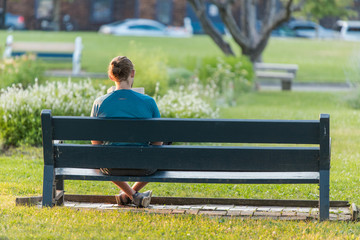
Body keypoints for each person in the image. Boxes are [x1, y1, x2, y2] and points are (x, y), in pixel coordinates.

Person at [90, 56, 162, 208]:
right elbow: (158, 142)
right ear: (133, 74)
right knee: (161, 153)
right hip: (144, 166)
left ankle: (130, 195)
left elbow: (96, 144)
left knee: (101, 156)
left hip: (110, 166)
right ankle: (134, 195)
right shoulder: (149, 102)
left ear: (111, 76)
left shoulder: (99, 103)